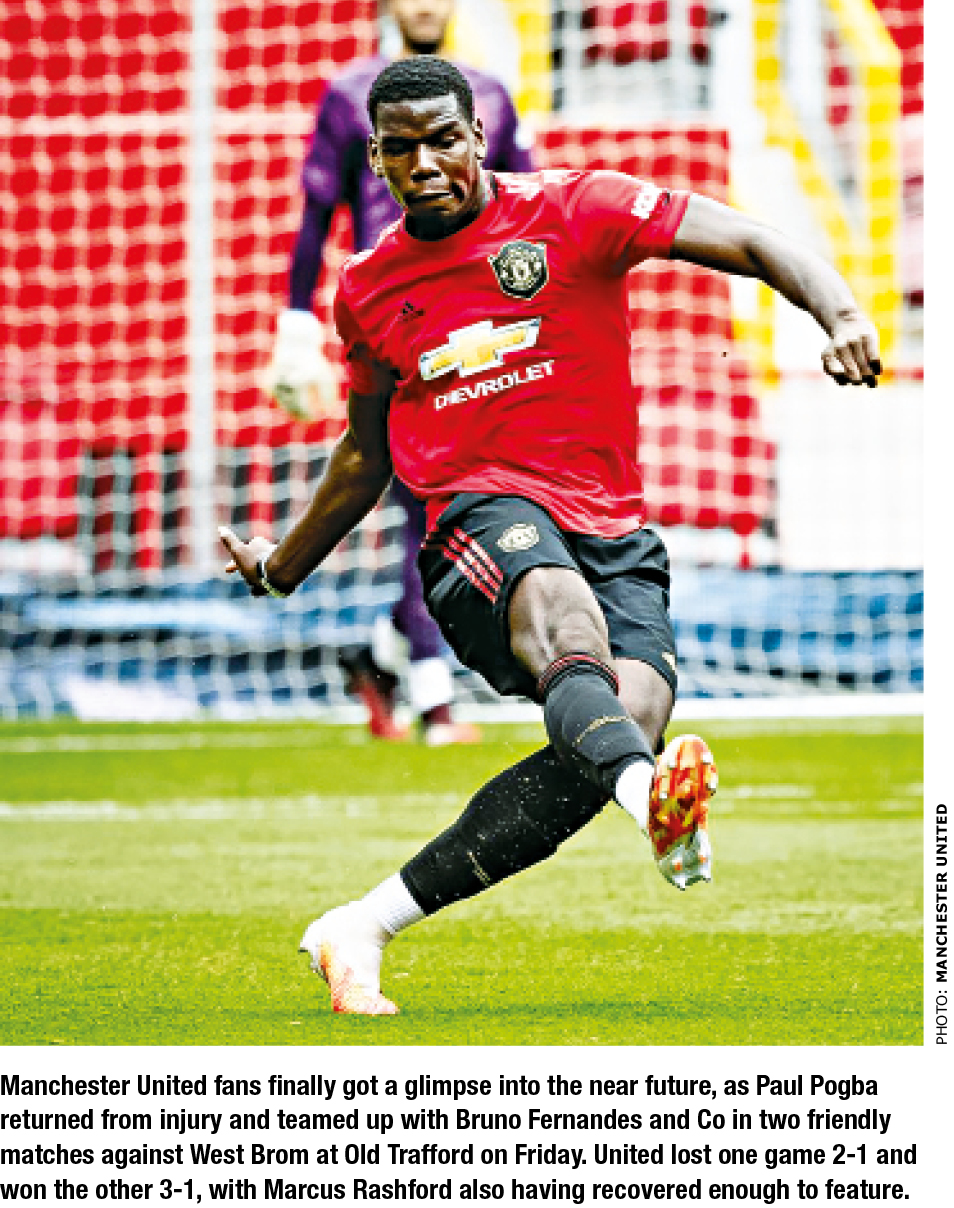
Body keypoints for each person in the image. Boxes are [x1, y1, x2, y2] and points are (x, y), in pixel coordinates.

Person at [221, 58, 882, 1016]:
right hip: (475, 525)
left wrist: (843, 311)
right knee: (569, 629)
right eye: (400, 149)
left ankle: (361, 926)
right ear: (376, 159)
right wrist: (281, 568)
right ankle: (654, 805)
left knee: (622, 727)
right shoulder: (368, 287)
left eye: (442, 141)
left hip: (610, 526)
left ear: (477, 136)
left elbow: (746, 237)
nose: (424, 164)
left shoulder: (578, 209)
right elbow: (365, 455)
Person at [264, 0, 533, 745]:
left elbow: (530, 208)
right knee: (425, 509)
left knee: (473, 512)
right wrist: (295, 325)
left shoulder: (492, 95)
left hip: (479, 331)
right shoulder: (350, 96)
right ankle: (434, 698)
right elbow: (317, 212)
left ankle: (378, 657)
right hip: (396, 326)